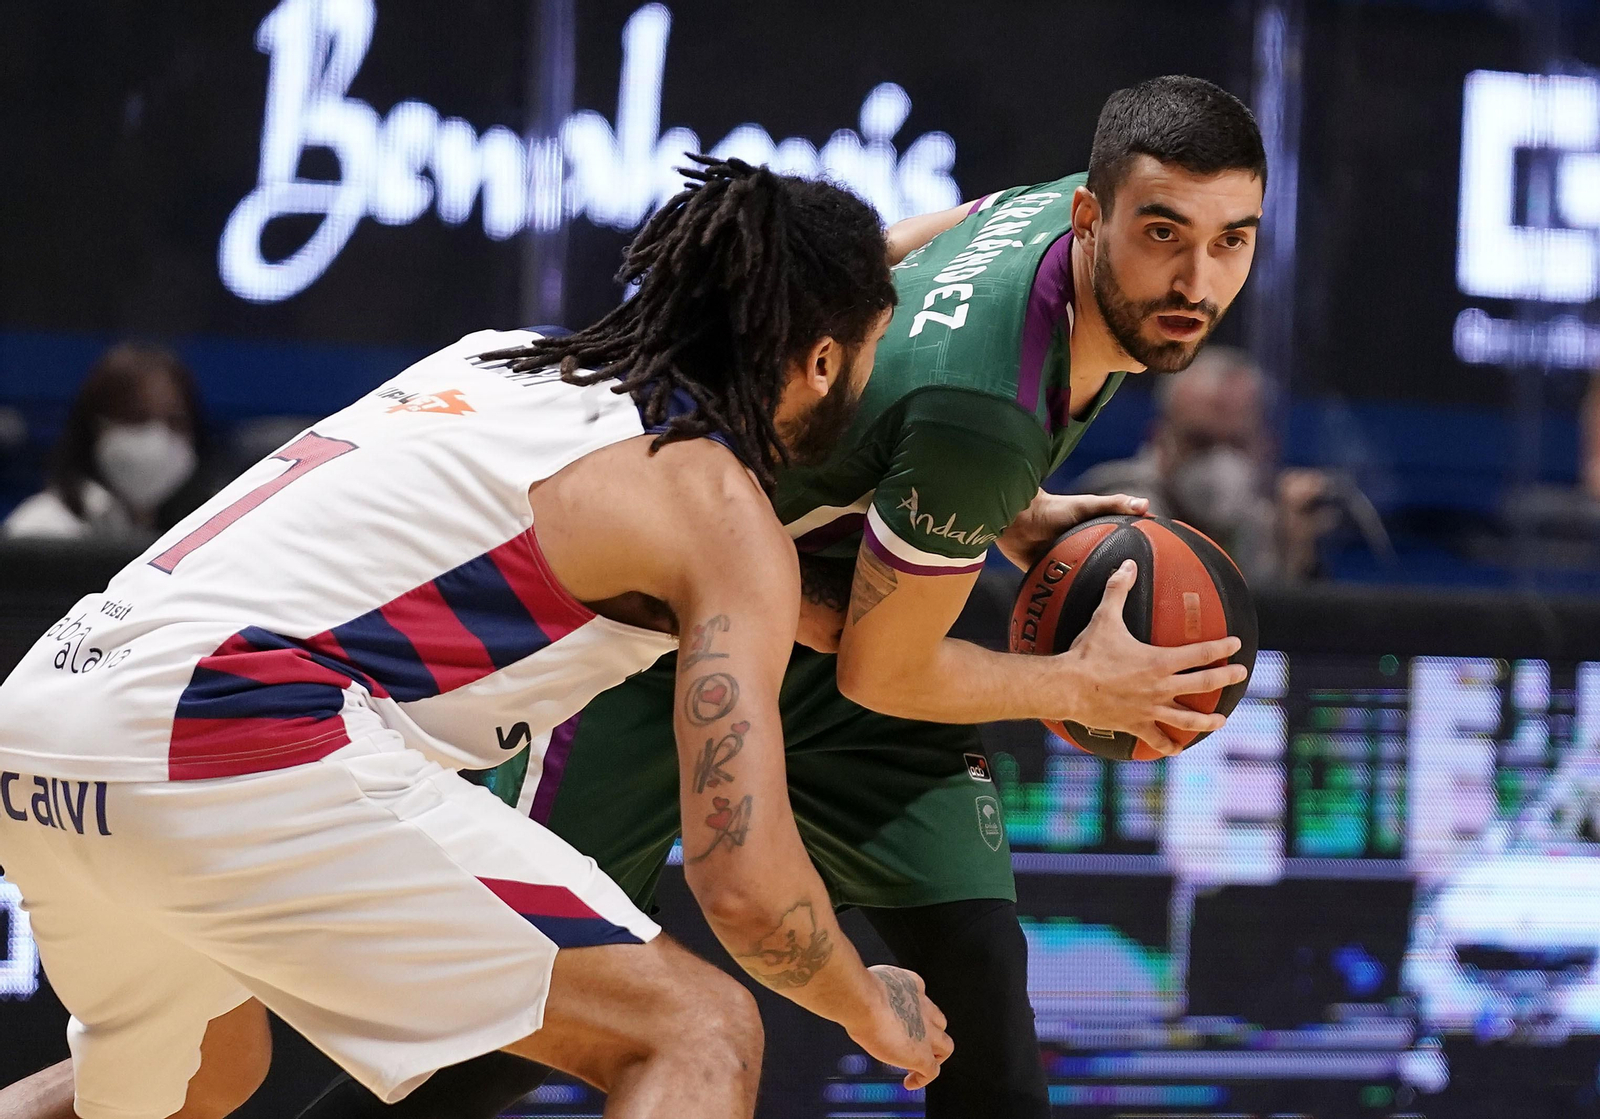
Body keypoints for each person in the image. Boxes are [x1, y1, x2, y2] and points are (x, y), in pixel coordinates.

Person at [346, 75, 1262, 1119]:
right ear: (1094, 218)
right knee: (523, 1020)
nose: (1196, 275)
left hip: (845, 605)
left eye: (1232, 240)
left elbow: (888, 264)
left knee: (983, 1005)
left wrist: (991, 505)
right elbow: (890, 669)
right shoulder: (979, 417)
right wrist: (1078, 687)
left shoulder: (1042, 215)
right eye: (1165, 234)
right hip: (665, 635)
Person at [0, 158, 951, 1119]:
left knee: (199, 1077)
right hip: (227, 728)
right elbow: (744, 886)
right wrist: (871, 1006)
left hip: (47, 718)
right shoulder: (714, 506)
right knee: (696, 1031)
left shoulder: (496, 357)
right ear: (822, 361)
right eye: (869, 354)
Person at [1074, 345, 1337, 582]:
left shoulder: (1274, 525)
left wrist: (1297, 560)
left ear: (1266, 446)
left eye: (1237, 443)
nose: (1219, 461)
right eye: (1199, 442)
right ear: (1159, 439)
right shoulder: (1113, 510)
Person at [2, 344, 209, 543]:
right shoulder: (42, 530)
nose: (158, 437)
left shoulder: (193, 537)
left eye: (175, 421)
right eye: (137, 418)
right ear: (95, 425)